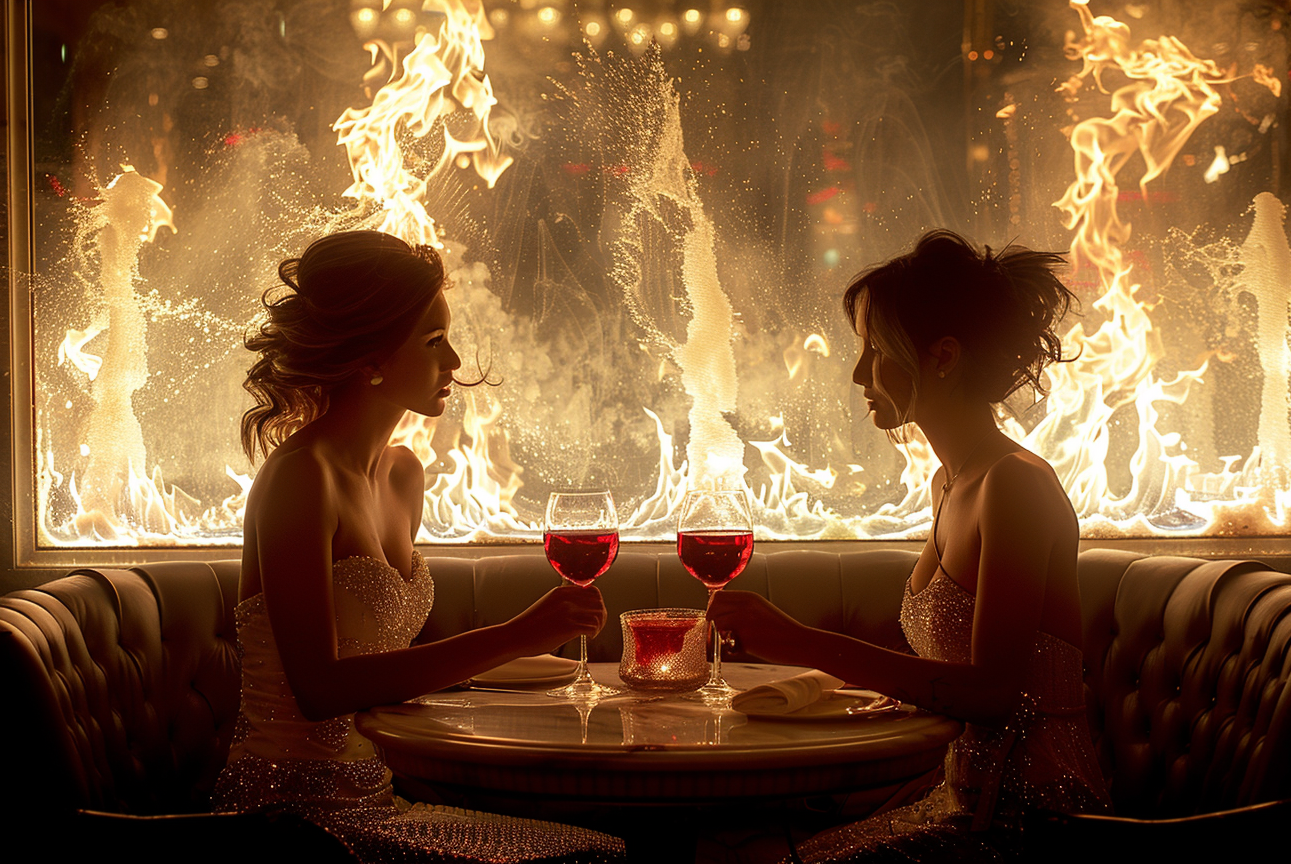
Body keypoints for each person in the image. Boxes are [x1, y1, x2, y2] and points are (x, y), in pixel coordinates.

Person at [214, 230, 624, 863]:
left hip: (378, 795)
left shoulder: (403, 474)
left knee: (602, 843)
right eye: (434, 342)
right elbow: (319, 688)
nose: (456, 361)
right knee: (592, 857)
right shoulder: (302, 477)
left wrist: (563, 672)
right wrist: (516, 634)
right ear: (370, 357)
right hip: (291, 817)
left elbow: (392, 669)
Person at [708, 230, 1111, 861]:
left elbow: (992, 693)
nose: (857, 372)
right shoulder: (950, 480)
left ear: (943, 356)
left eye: (872, 349)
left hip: (1032, 820)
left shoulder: (1014, 485)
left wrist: (797, 641)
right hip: (962, 800)